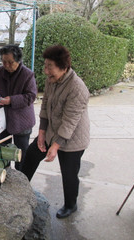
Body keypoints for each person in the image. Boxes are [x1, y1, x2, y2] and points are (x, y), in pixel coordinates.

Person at [21, 45, 90, 219]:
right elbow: (45, 106)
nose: (46, 71)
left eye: (50, 67)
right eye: (45, 66)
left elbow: (70, 121)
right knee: (31, 153)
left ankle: (70, 205)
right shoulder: (52, 80)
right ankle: (20, 188)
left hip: (73, 137)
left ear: (64, 68)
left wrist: (56, 145)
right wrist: (42, 132)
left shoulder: (77, 88)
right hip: (52, 130)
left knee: (68, 173)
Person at [0, 44, 37, 170]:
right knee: (3, 153)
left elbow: (31, 96)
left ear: (18, 61)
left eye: (10, 62)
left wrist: (11, 100)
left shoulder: (27, 74)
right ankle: (3, 177)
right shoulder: (0, 71)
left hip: (22, 121)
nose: (7, 65)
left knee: (21, 155)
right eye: (4, 62)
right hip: (3, 121)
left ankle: (21, 181)